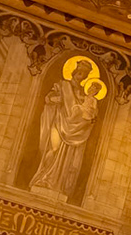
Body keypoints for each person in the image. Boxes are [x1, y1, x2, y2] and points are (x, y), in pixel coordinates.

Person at [29, 59, 104, 201]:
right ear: (74, 71)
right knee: (54, 148)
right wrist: (56, 100)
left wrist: (87, 114)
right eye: (79, 72)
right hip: (58, 122)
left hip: (74, 129)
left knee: (67, 157)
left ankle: (58, 185)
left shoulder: (83, 93)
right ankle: (44, 178)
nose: (80, 75)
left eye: (84, 74)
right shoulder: (62, 85)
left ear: (86, 77)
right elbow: (48, 98)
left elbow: (89, 112)